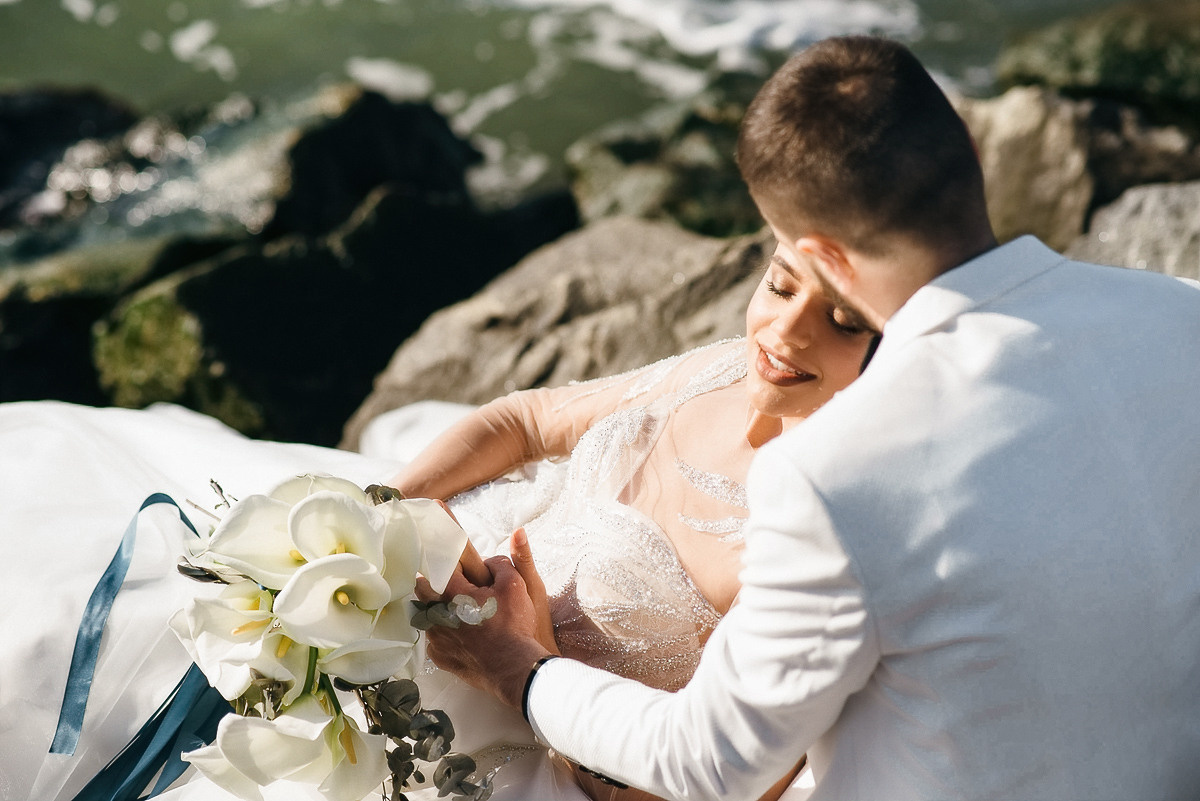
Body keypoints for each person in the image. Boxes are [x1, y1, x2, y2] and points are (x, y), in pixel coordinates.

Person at [416, 34, 1200, 801]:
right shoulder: (1180, 315)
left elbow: (713, 764)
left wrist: (515, 666)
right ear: (970, 149)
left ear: (823, 257)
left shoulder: (836, 468)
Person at [1, 234, 875, 799]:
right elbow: (525, 422)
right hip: (400, 584)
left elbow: (715, 783)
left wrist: (529, 660)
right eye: (778, 284)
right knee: (77, 595)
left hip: (493, 745)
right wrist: (382, 516)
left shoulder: (817, 541)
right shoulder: (723, 365)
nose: (786, 332)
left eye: (839, 321)